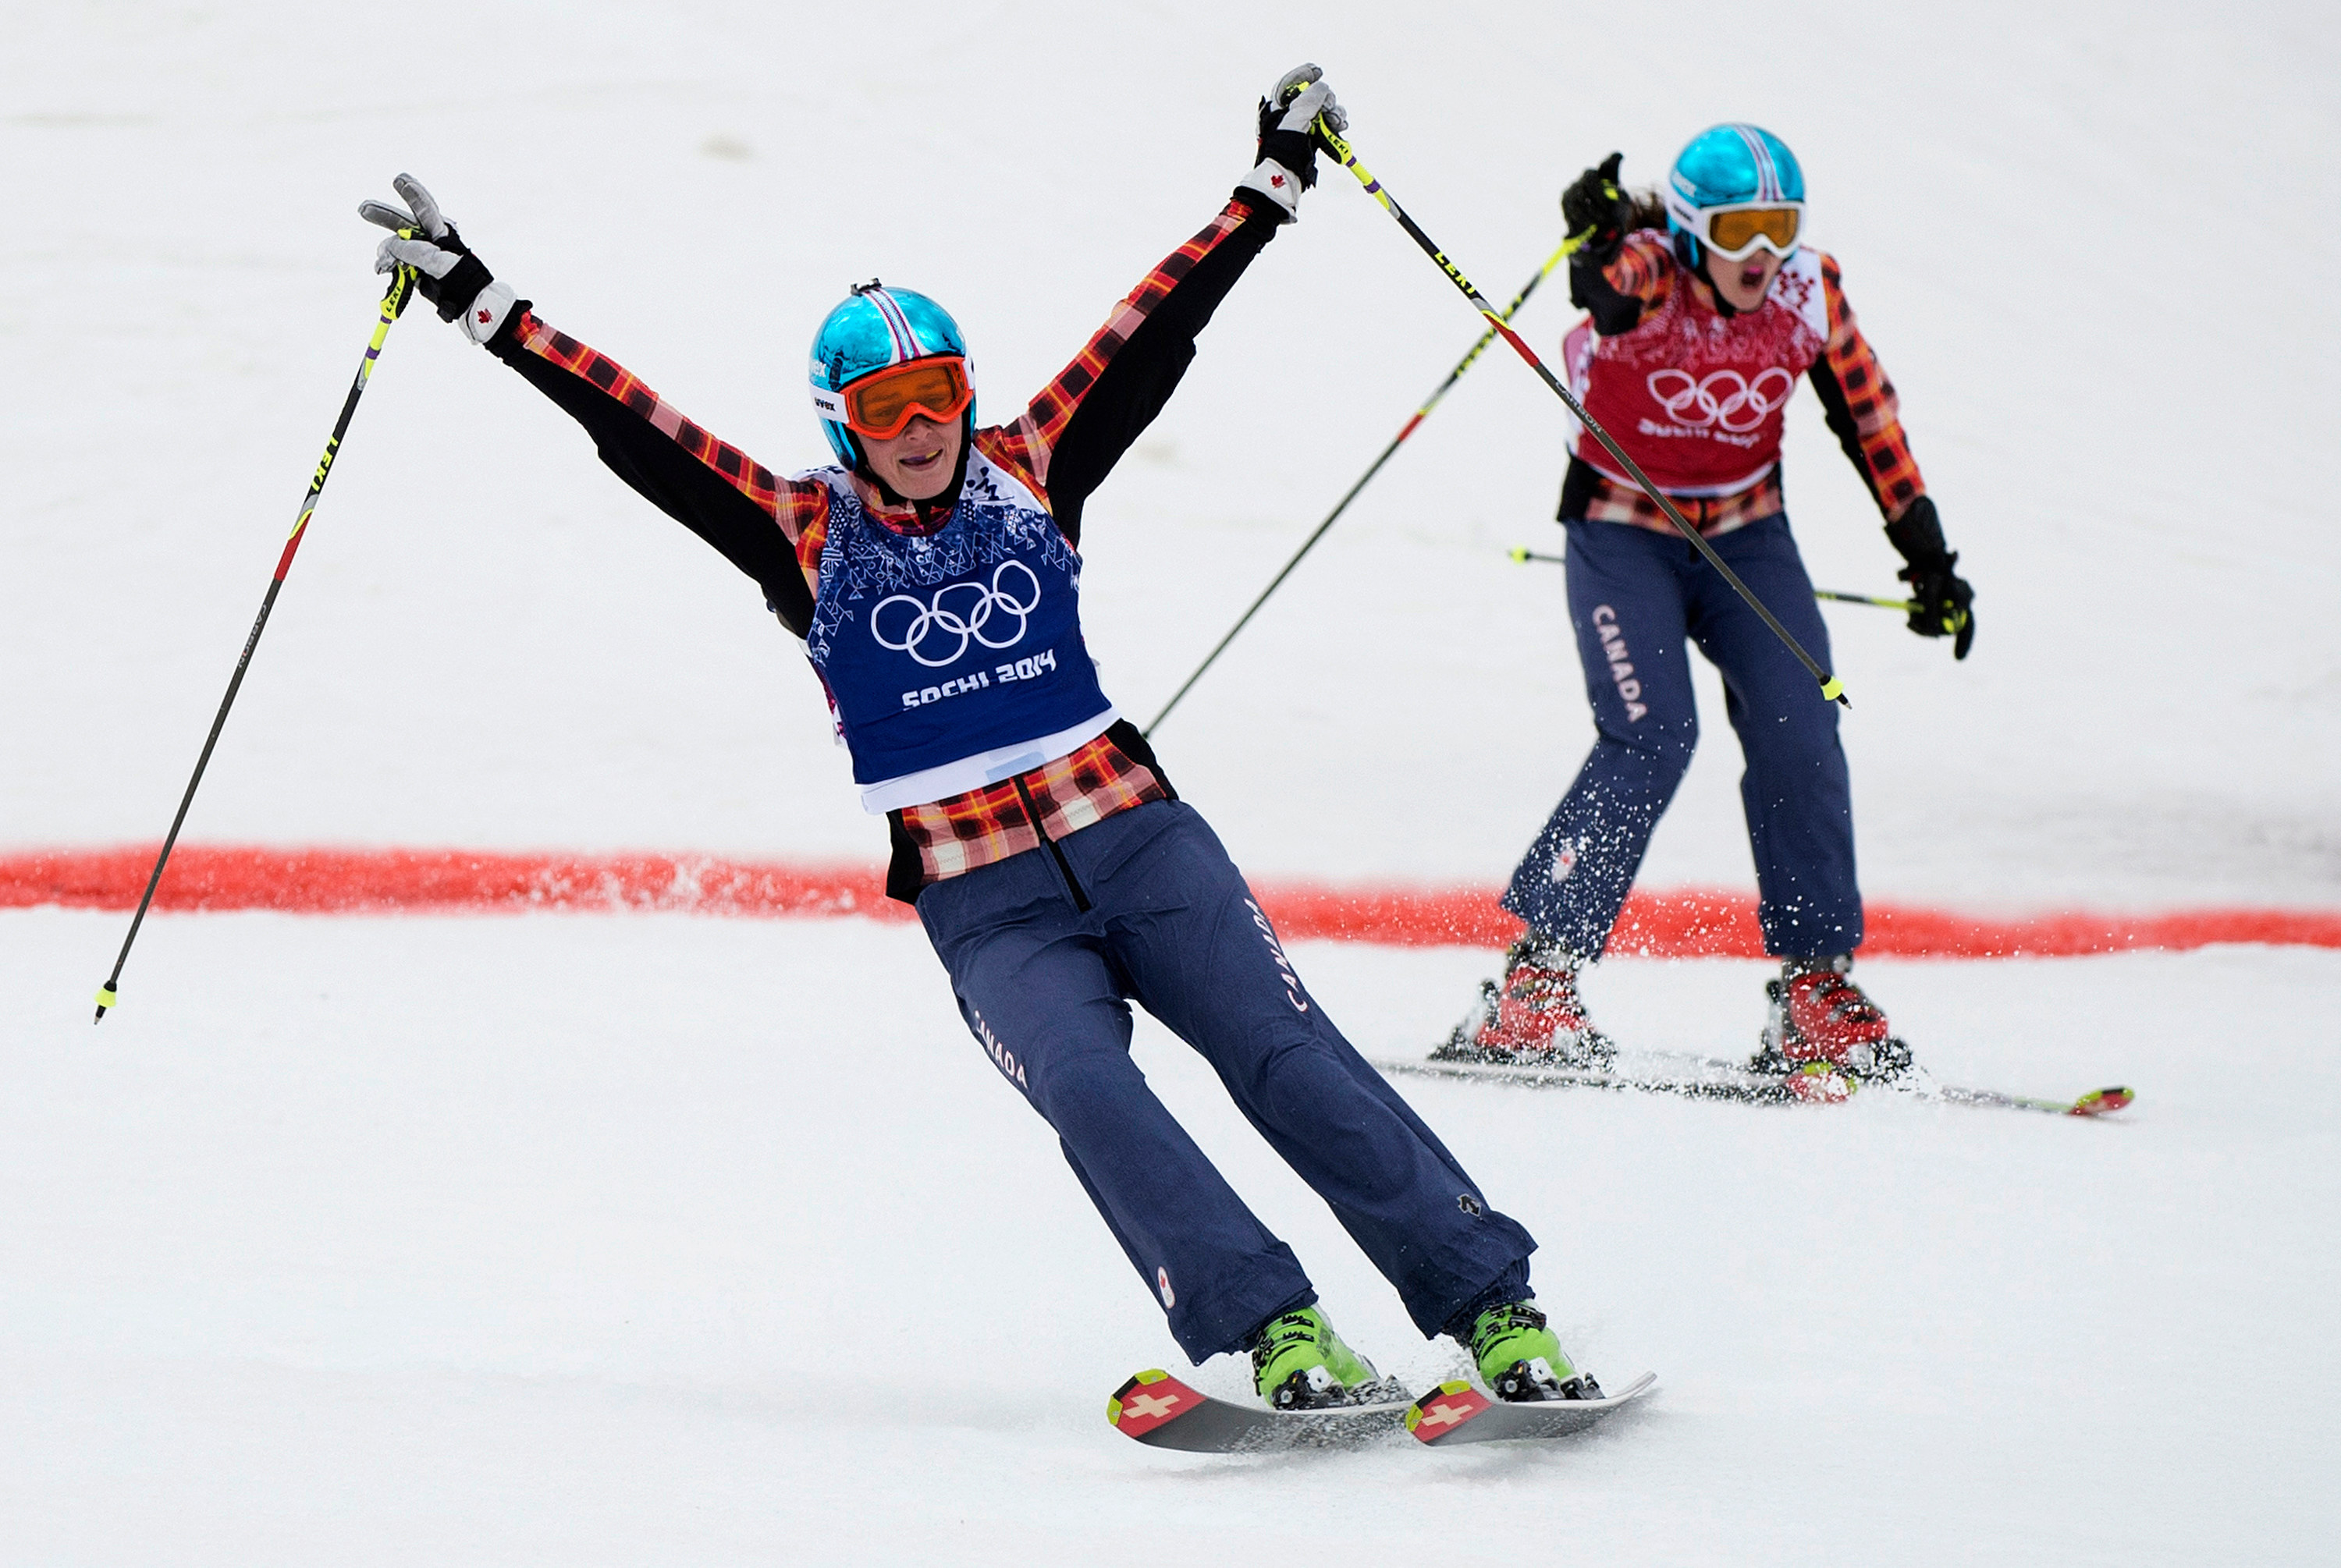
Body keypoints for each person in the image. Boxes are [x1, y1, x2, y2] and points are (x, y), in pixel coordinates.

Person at [359, 67, 1607, 1410]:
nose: (920, 428)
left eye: (939, 392)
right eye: (884, 408)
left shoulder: (1030, 467)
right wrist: (486, 307)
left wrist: (1268, 188)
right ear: (841, 421)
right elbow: (639, 429)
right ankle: (1280, 1330)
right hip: (988, 904)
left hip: (1142, 846)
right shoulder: (802, 531)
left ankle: (1493, 1309)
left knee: (1285, 1055)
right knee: (1087, 1085)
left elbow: (1150, 330)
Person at [1441, 125, 1975, 1100]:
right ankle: (1535, 985)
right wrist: (1597, 237)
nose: (1762, 255)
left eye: (1781, 227)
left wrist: (1928, 555)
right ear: (1692, 230)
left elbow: (1869, 418)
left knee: (1801, 724)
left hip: (1745, 535)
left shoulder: (1809, 291)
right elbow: (1604, 293)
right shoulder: (1652, 268)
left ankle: (1815, 990)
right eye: (1737, 231)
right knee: (1653, 733)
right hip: (1622, 527)